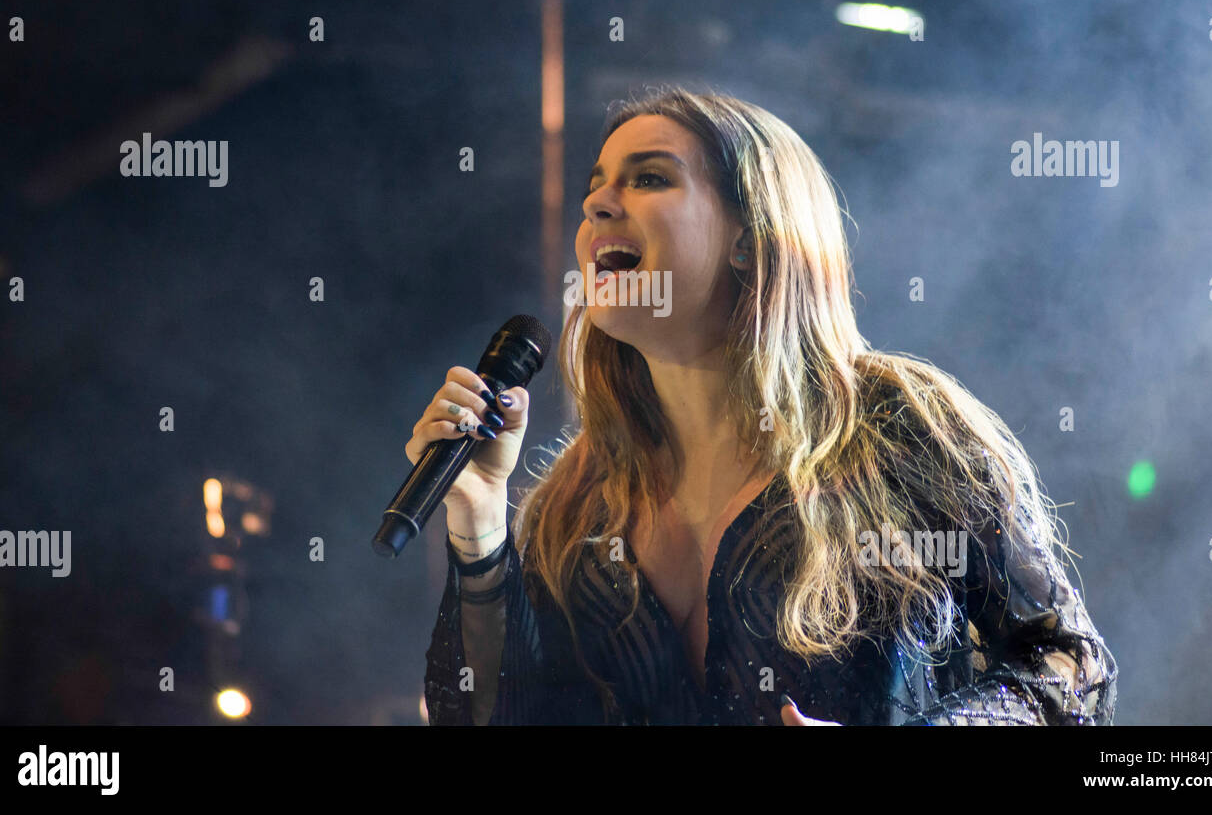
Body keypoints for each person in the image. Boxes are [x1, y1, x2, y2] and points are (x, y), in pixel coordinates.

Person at [415, 85, 1118, 725]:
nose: (597, 205)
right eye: (595, 187)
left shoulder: (903, 430)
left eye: (650, 179)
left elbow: (1069, 671)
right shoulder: (577, 503)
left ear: (751, 241)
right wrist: (478, 521)